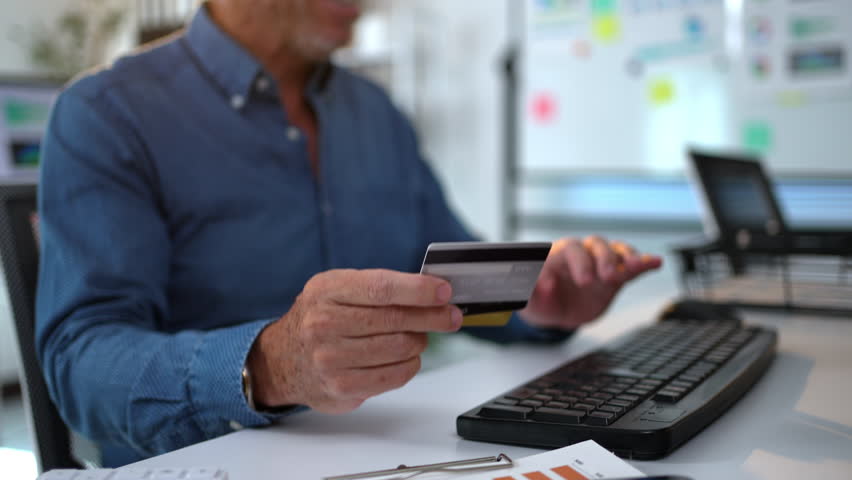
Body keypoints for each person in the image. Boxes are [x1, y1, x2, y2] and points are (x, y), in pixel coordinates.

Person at [35, 0, 662, 467]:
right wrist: (265, 367)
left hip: (398, 454)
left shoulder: (375, 113)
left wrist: (537, 301)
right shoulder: (106, 114)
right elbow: (80, 364)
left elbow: (449, 282)